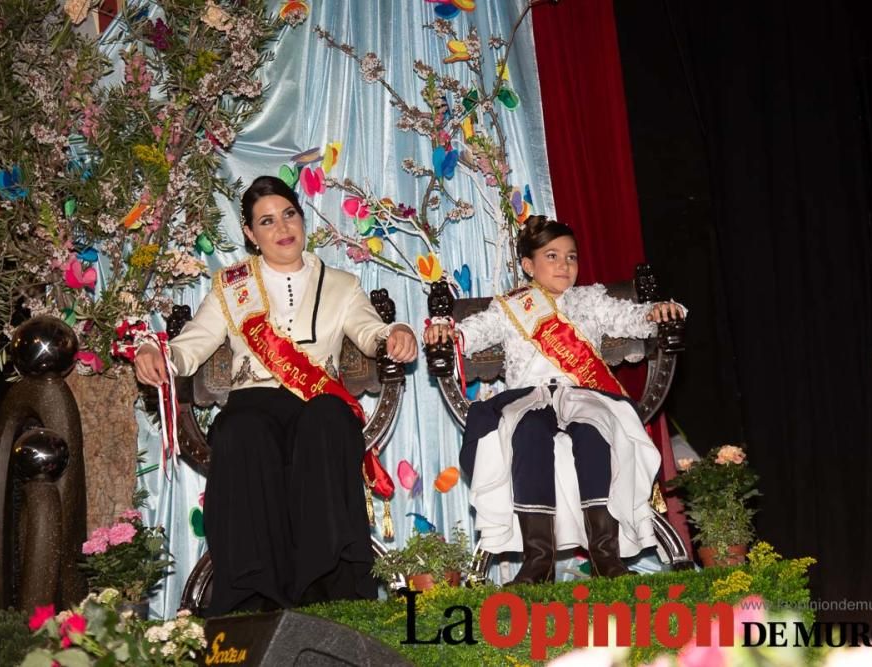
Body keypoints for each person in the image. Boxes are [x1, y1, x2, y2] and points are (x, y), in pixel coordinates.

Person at [134, 176, 417, 614]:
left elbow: (371, 331)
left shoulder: (342, 284)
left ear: (302, 220)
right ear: (250, 234)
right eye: (267, 221)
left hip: (318, 401)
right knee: (242, 434)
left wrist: (395, 333)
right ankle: (253, 597)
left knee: (326, 422)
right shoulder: (232, 288)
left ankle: (330, 591)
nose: (282, 228)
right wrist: (157, 352)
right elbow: (189, 348)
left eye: (289, 214)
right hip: (254, 403)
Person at [424, 215, 685, 584]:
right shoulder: (510, 306)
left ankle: (605, 555)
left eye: (571, 257)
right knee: (528, 432)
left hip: (582, 395)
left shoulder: (590, 300)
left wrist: (655, 313)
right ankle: (538, 561)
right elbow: (472, 332)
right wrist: (447, 332)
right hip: (529, 397)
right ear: (529, 266)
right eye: (552, 256)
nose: (564, 265)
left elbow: (631, 318)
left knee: (593, 432)